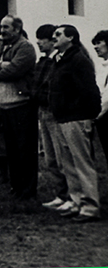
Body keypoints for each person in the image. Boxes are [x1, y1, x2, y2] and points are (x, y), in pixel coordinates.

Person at [46, 24, 101, 222]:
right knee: (68, 164)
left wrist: (88, 117)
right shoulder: (59, 61)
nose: (54, 38)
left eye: (58, 34)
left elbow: (90, 91)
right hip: (62, 119)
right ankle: (76, 201)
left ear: (70, 38)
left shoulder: (78, 60)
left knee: (82, 162)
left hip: (77, 118)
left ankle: (90, 206)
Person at [0, 15, 37, 200]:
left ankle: (28, 191)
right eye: (1, 27)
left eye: (6, 27)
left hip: (21, 105)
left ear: (17, 29)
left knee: (24, 150)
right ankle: (16, 187)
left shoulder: (25, 47)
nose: (2, 31)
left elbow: (13, 71)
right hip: (4, 106)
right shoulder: (2, 46)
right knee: (11, 150)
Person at [32, 25, 68, 210]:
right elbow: (35, 86)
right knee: (50, 158)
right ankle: (61, 194)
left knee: (62, 157)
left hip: (54, 114)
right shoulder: (43, 62)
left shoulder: (58, 62)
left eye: (42, 39)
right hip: (43, 112)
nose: (38, 42)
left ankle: (70, 196)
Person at [92, 30, 108, 166]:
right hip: (102, 116)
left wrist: (96, 115)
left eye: (99, 43)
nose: (96, 47)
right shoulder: (102, 67)